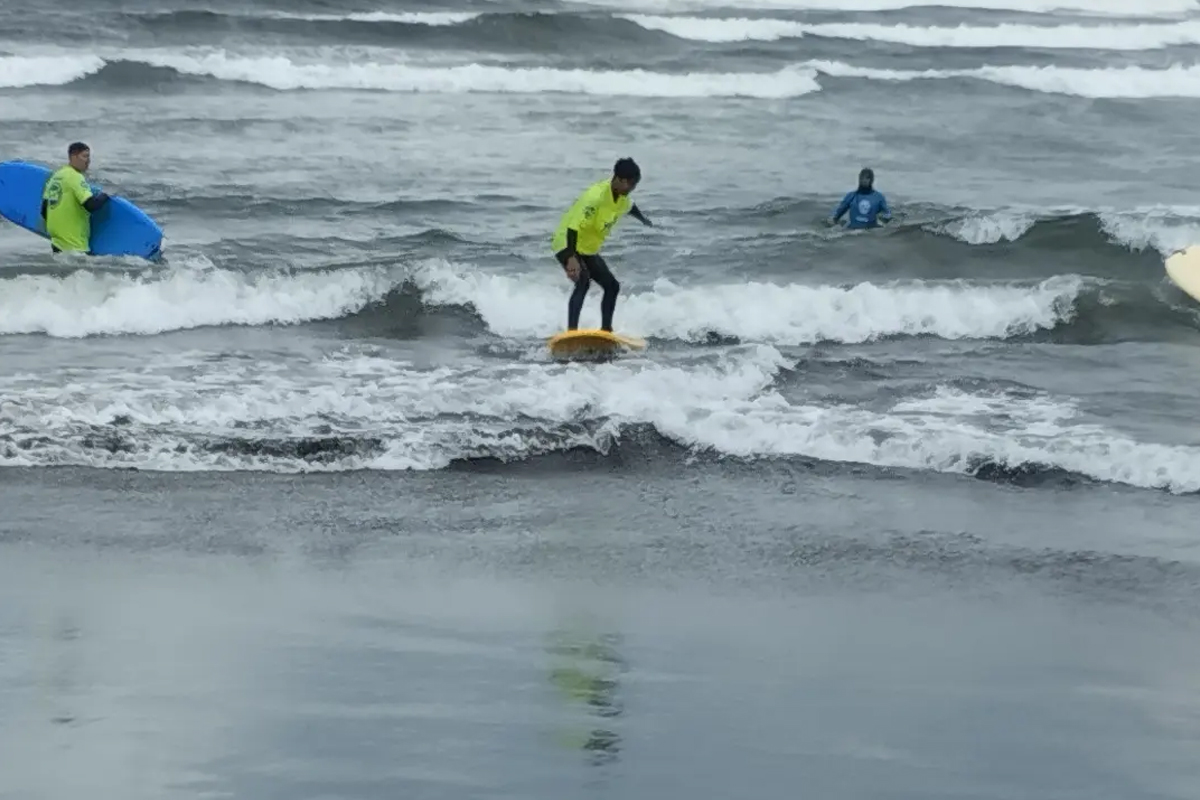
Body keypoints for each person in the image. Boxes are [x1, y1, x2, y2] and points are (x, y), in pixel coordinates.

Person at [552, 157, 652, 332]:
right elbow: (573, 227)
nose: (632, 189)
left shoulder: (622, 198)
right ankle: (571, 332)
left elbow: (631, 207)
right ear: (620, 180)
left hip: (587, 249)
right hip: (567, 243)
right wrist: (571, 258)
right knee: (583, 281)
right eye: (631, 185)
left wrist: (645, 220)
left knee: (612, 286)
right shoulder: (595, 197)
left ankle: (606, 331)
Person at [40, 142, 110, 254]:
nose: (88, 161)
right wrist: (106, 195)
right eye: (85, 156)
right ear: (73, 157)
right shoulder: (75, 177)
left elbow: (44, 210)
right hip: (75, 246)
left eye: (89, 157)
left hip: (57, 243)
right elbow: (91, 205)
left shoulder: (56, 176)